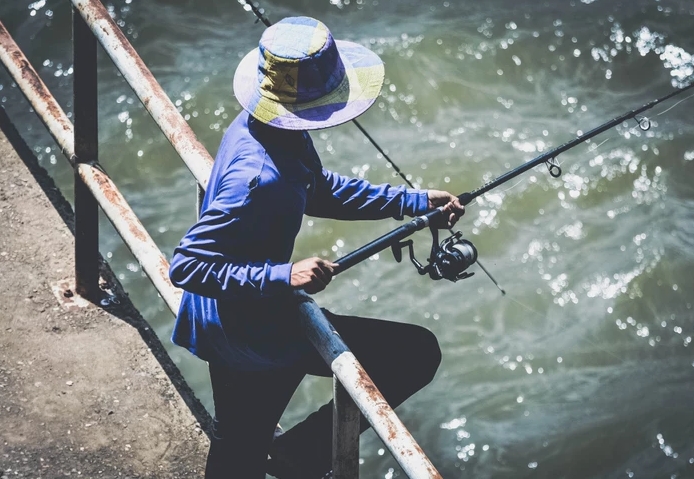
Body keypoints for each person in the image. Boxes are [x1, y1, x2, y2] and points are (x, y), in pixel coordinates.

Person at [169, 16, 464, 479]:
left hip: (236, 312)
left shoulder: (267, 128)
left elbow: (319, 189)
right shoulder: (256, 179)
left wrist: (412, 201)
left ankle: (295, 454)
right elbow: (187, 265)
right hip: (248, 328)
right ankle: (300, 455)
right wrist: (283, 276)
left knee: (239, 446)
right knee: (415, 353)